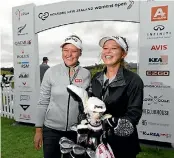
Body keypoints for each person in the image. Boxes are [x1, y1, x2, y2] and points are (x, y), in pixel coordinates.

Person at [34, 35, 91, 158]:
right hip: (51, 130)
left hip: (76, 131)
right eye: (65, 50)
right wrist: (38, 129)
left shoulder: (86, 73)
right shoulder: (51, 72)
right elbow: (43, 101)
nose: (69, 54)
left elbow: (87, 103)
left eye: (74, 51)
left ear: (80, 53)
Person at [88, 36, 144, 158]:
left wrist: (110, 122)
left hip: (122, 145)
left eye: (114, 48)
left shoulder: (133, 80)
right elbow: (89, 103)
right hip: (97, 142)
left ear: (123, 54)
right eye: (105, 48)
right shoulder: (96, 78)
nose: (108, 51)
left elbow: (133, 116)